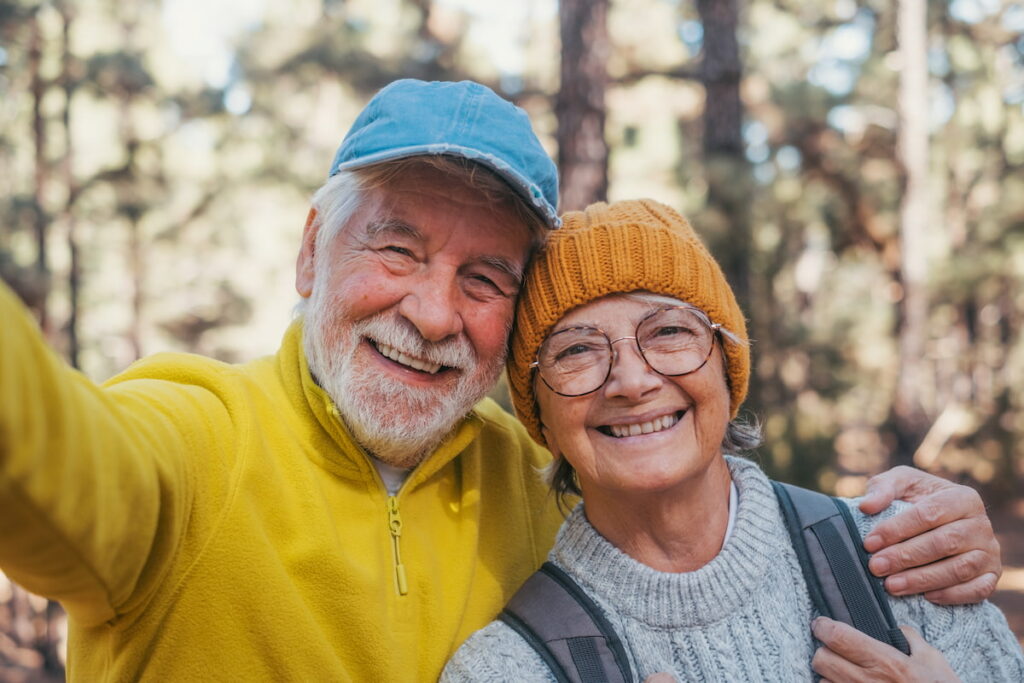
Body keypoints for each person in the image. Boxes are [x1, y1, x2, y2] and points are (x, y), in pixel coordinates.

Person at [0, 81, 1005, 681]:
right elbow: (44, 448)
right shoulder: (187, 443)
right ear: (312, 251)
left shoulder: (543, 476)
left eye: (484, 279)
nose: (435, 313)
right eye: (396, 248)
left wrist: (938, 523)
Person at [441, 198, 1023, 682]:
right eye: (576, 351)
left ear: (727, 365)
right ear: (537, 411)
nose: (632, 381)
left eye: (668, 331)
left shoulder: (903, 562)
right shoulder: (505, 668)